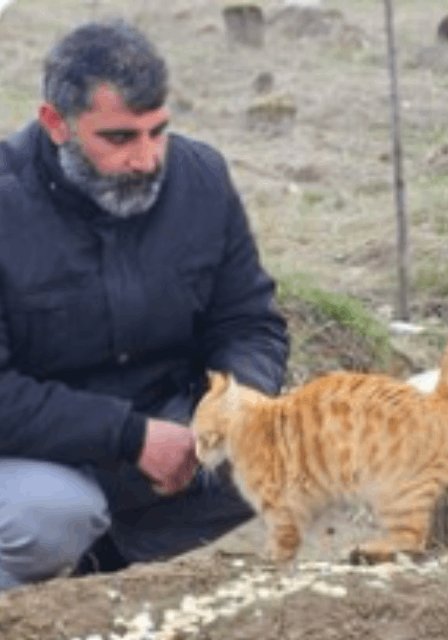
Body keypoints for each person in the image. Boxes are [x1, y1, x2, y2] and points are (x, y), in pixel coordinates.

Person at [0, 20, 289, 591]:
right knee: (54, 514)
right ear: (55, 124)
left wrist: (230, 408)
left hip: (168, 426)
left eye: (158, 131)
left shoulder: (201, 178)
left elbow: (248, 321)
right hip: (33, 452)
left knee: (285, 450)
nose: (148, 158)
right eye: (120, 138)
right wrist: (130, 437)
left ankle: (95, 579)